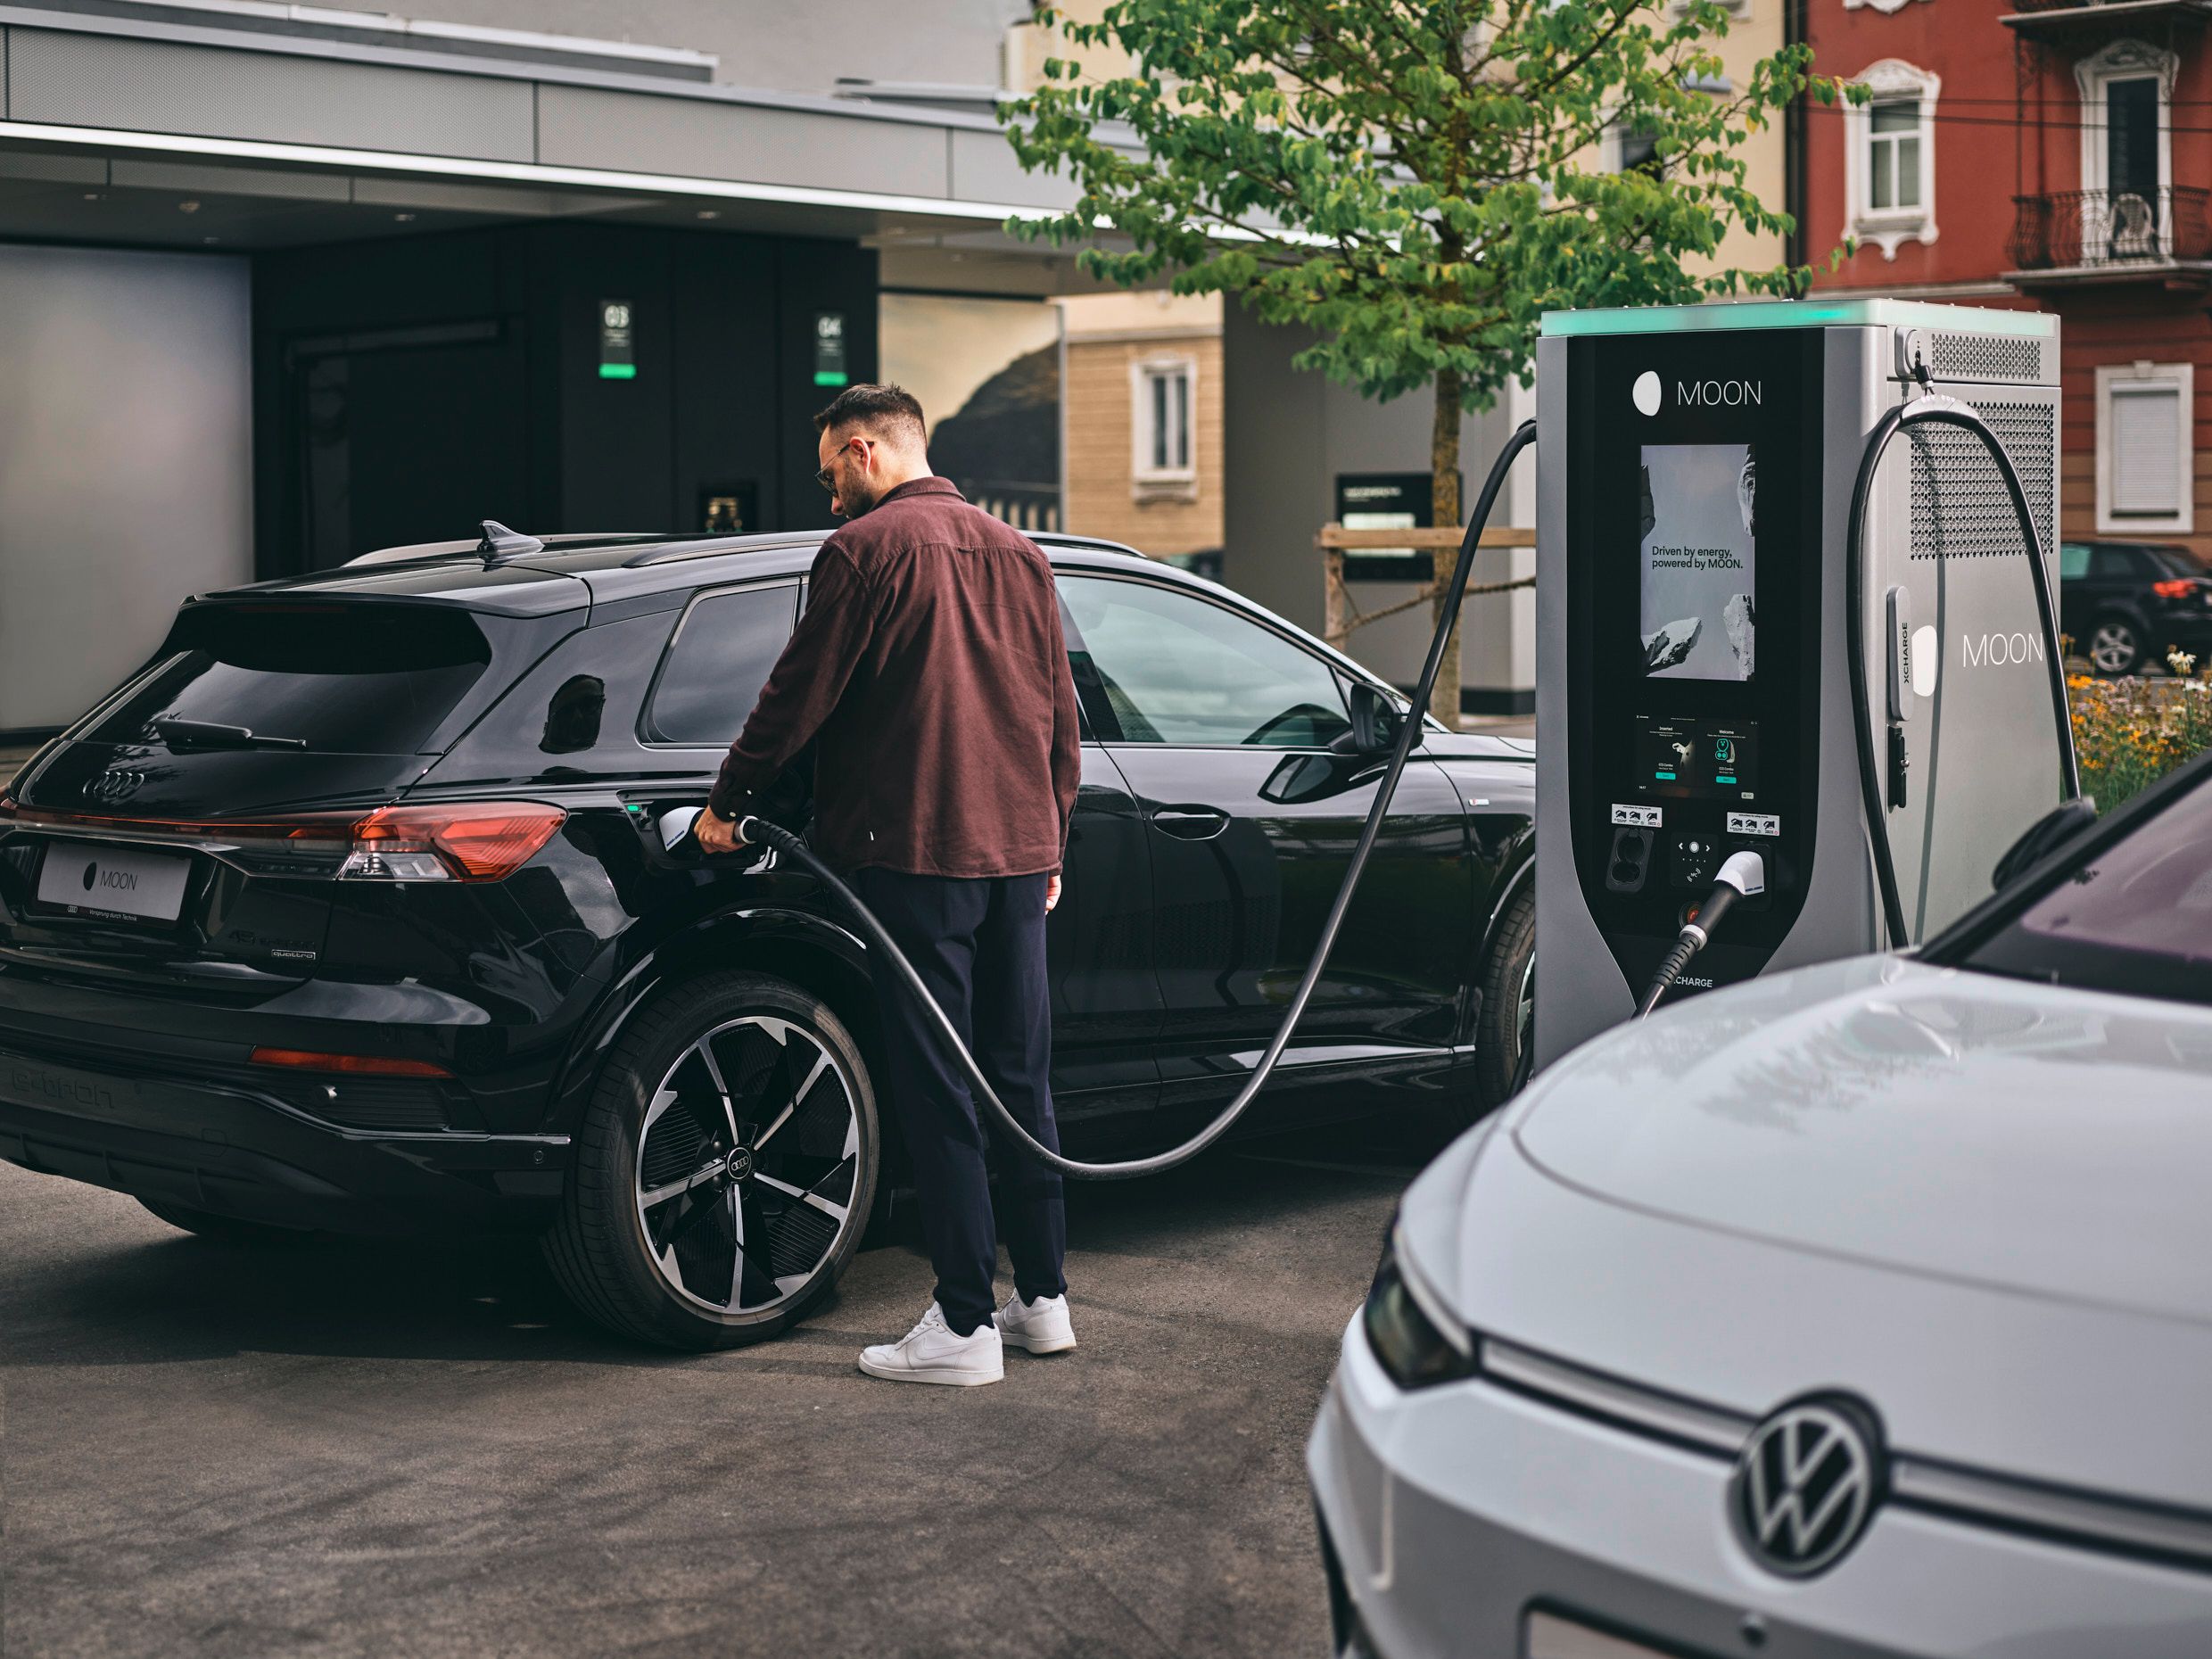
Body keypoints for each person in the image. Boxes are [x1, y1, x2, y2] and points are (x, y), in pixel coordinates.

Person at [697, 383, 1083, 1387]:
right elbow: (1059, 711)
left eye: (831, 475)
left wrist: (729, 796)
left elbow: (796, 695)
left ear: (866, 451)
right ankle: (1039, 1301)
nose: (828, 499)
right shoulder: (1020, 552)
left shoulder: (862, 554)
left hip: (914, 854)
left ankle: (962, 1327)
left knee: (938, 1084)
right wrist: (1051, 837)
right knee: (1019, 1077)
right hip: (1015, 855)